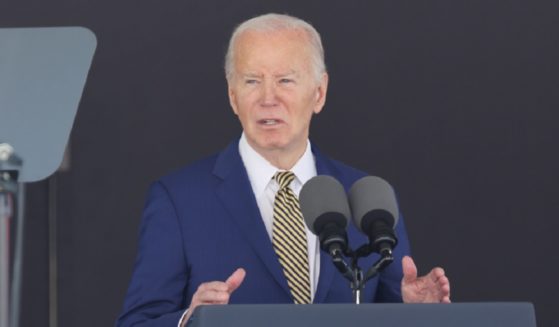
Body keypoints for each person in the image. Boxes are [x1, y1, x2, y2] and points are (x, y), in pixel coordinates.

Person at [116, 13, 450, 327]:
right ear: (233, 96)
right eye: (252, 81)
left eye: (285, 80)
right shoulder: (179, 200)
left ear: (318, 93)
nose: (268, 98)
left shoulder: (365, 197)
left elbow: (388, 314)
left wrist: (420, 316)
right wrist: (190, 320)